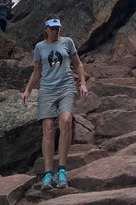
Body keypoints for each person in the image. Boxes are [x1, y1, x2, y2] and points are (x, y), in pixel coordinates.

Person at [22, 15, 88, 191]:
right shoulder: (40, 47)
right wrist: (28, 90)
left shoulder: (67, 42)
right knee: (48, 128)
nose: (55, 30)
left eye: (57, 27)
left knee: (66, 120)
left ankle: (62, 171)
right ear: (45, 29)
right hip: (47, 90)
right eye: (52, 28)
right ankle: (47, 174)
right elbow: (37, 71)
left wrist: (82, 83)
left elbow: (78, 64)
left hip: (66, 87)